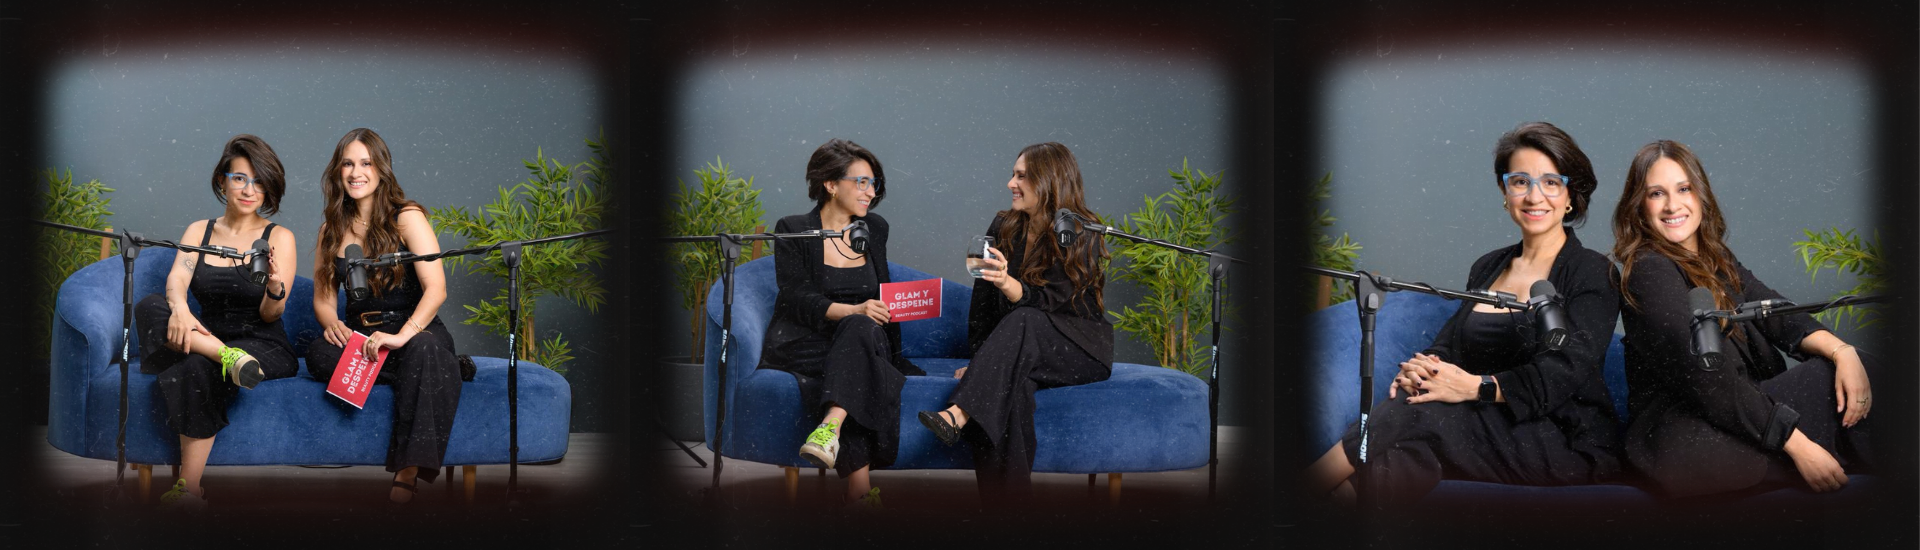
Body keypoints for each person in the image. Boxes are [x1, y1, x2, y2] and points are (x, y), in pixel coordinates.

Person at [1305, 121, 1623, 507]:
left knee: (1421, 414)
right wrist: (1424, 369)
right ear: (1505, 192)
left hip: (1567, 441)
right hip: (1493, 427)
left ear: (1570, 195)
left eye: (1551, 182)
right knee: (1411, 433)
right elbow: (1451, 345)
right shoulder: (1488, 266)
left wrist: (1475, 387)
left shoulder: (1593, 272)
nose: (1534, 195)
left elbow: (1564, 371)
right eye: (1520, 181)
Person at [1612, 139, 1878, 498]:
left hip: (1740, 421)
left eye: (1684, 189)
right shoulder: (1649, 270)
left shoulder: (1717, 261)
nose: (1673, 205)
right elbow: (1707, 377)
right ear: (1639, 207)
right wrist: (1798, 445)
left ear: (1701, 195)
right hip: (1695, 439)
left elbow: (1781, 316)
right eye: (1657, 193)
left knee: (1853, 370)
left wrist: (1843, 351)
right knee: (1843, 386)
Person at [916, 142, 1113, 502]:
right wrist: (986, 361)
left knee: (1027, 318)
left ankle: (958, 413)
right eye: (1013, 174)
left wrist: (1009, 284)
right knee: (1012, 391)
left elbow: (1053, 304)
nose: (1011, 183)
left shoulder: (1079, 229)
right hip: (1025, 351)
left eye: (1022, 176)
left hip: (1079, 349)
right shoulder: (1005, 226)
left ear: (1049, 180)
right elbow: (982, 305)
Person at [758, 138, 922, 508]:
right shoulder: (794, 228)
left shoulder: (873, 228)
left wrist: (890, 308)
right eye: (861, 182)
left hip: (860, 339)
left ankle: (830, 428)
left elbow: (881, 288)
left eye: (873, 183)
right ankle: (860, 493)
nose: (871, 192)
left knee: (860, 338)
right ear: (830, 184)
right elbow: (795, 297)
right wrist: (854, 310)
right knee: (859, 363)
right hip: (808, 341)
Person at [140, 134, 300, 511]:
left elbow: (271, 314)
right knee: (150, 306)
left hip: (261, 343)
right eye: (240, 178)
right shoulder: (200, 231)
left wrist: (275, 287)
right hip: (208, 336)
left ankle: (188, 487)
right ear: (222, 180)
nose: (249, 190)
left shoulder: (279, 237)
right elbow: (177, 279)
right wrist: (180, 309)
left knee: (195, 366)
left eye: (259, 181)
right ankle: (224, 355)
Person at [306, 127, 463, 504]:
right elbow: (323, 299)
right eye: (348, 164)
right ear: (337, 171)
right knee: (318, 354)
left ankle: (406, 475)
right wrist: (333, 323)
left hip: (415, 331)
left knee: (423, 350)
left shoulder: (407, 218)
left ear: (382, 169)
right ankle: (441, 370)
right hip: (365, 339)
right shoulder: (330, 230)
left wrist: (402, 335)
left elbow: (436, 289)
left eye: (366, 163)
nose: (356, 172)